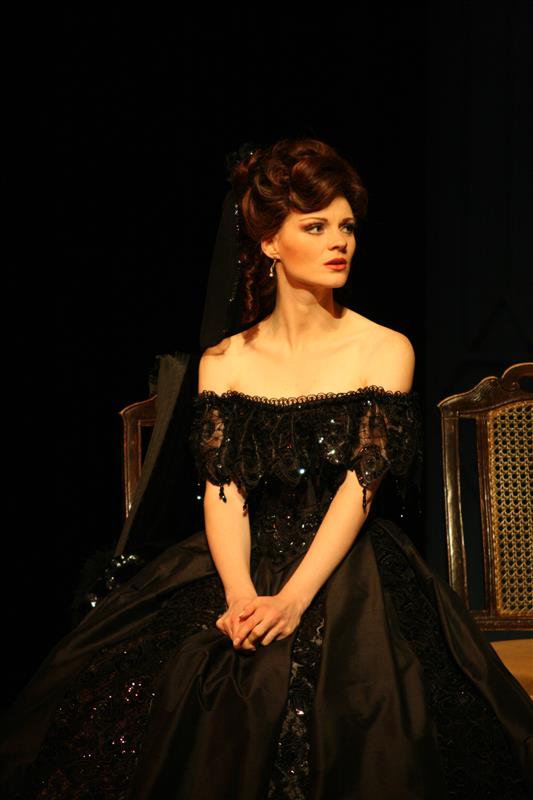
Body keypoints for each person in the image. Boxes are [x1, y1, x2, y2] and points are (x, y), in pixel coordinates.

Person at [1, 137, 532, 799]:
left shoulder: (383, 348)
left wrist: (294, 598)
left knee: (361, 704)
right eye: (315, 227)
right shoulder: (226, 361)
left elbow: (361, 487)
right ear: (269, 241)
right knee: (186, 680)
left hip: (347, 561)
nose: (339, 242)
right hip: (239, 561)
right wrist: (239, 595)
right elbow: (223, 490)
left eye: (346, 227)